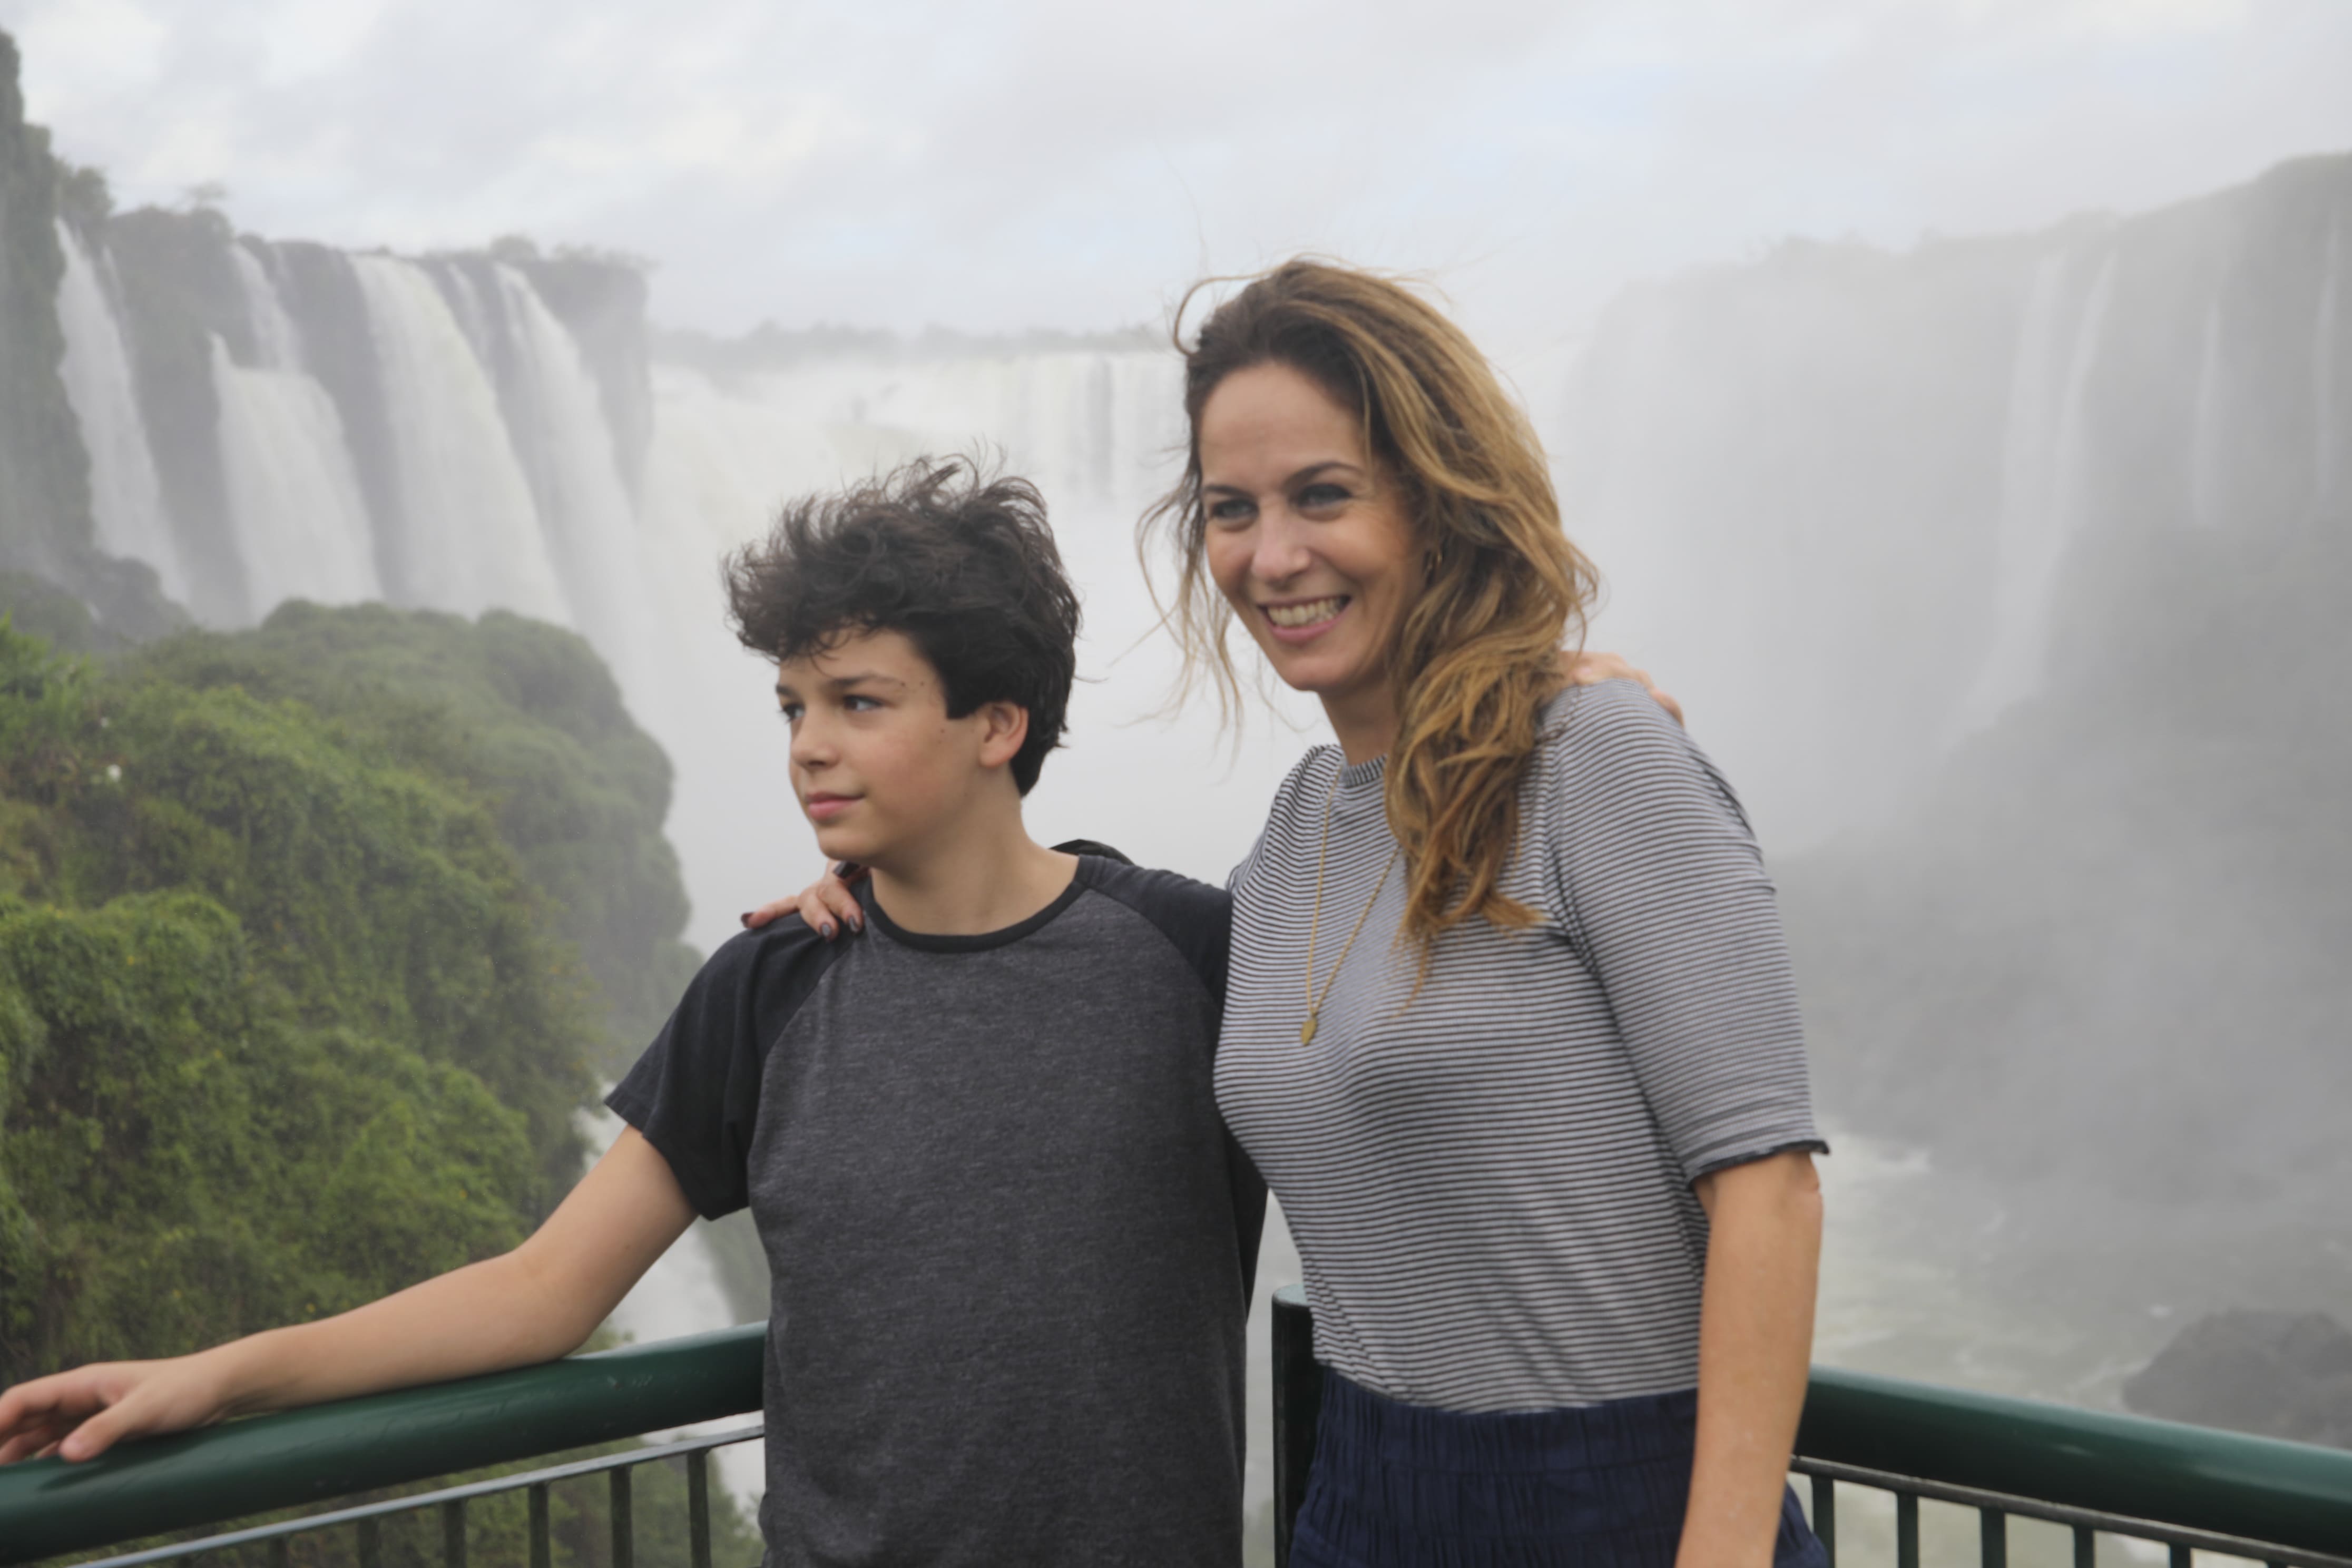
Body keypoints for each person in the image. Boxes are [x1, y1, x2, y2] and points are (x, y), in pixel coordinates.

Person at [0, 461, 1268, 1568]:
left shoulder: (1194, 957)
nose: (807, 747)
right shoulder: (771, 986)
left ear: (997, 724)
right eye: (794, 707)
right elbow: (544, 1287)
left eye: (859, 703)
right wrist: (222, 1377)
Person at [787, 261, 1829, 1568]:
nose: (1271, 557)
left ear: (1438, 499)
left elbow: (1769, 1188)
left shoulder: (1594, 757)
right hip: (1358, 1503)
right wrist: (882, 893)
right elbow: (1084, 930)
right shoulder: (1292, 838)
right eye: (1233, 510)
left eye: (1323, 495)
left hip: (1620, 1510)